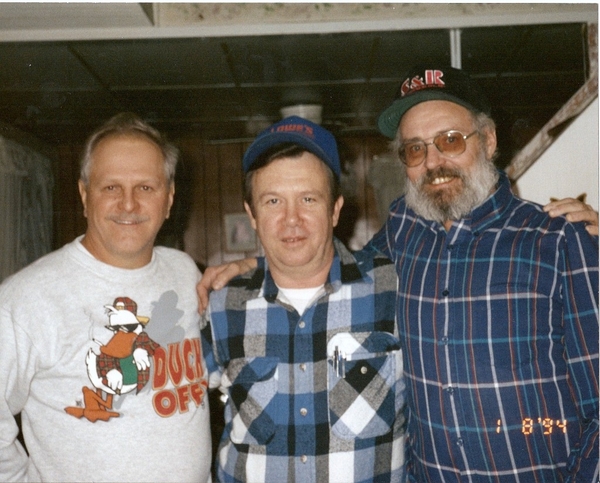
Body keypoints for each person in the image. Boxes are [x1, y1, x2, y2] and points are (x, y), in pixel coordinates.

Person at [198, 67, 599, 482]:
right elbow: (316, 262)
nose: (433, 162)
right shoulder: (404, 232)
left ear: (490, 140)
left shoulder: (560, 241)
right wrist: (254, 266)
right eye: (414, 149)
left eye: (450, 140)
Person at [0, 113, 212, 482]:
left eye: (146, 187)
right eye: (110, 187)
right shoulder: (27, 298)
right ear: (84, 194)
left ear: (169, 197)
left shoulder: (184, 272)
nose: (128, 204)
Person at [200, 116, 406, 482]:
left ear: (335, 209)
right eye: (273, 201)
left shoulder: (392, 286)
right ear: (252, 214)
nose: (291, 219)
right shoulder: (221, 305)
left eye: (308, 199)